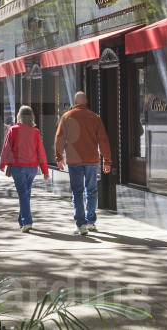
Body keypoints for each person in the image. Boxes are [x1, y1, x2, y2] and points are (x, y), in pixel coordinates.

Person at [54, 91, 113, 236]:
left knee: (77, 192)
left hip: (74, 160)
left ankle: (81, 224)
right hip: (92, 160)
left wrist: (59, 157)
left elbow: (59, 138)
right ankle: (91, 221)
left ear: (74, 102)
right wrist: (107, 160)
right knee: (91, 190)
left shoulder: (66, 117)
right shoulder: (95, 118)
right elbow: (103, 140)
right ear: (85, 101)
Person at [0, 105, 50, 232]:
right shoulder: (35, 132)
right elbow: (41, 152)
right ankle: (21, 219)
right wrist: (45, 170)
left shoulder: (13, 130)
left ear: (19, 116)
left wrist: (2, 163)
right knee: (25, 194)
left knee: (23, 194)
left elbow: (6, 148)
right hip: (32, 168)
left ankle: (27, 222)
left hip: (18, 167)